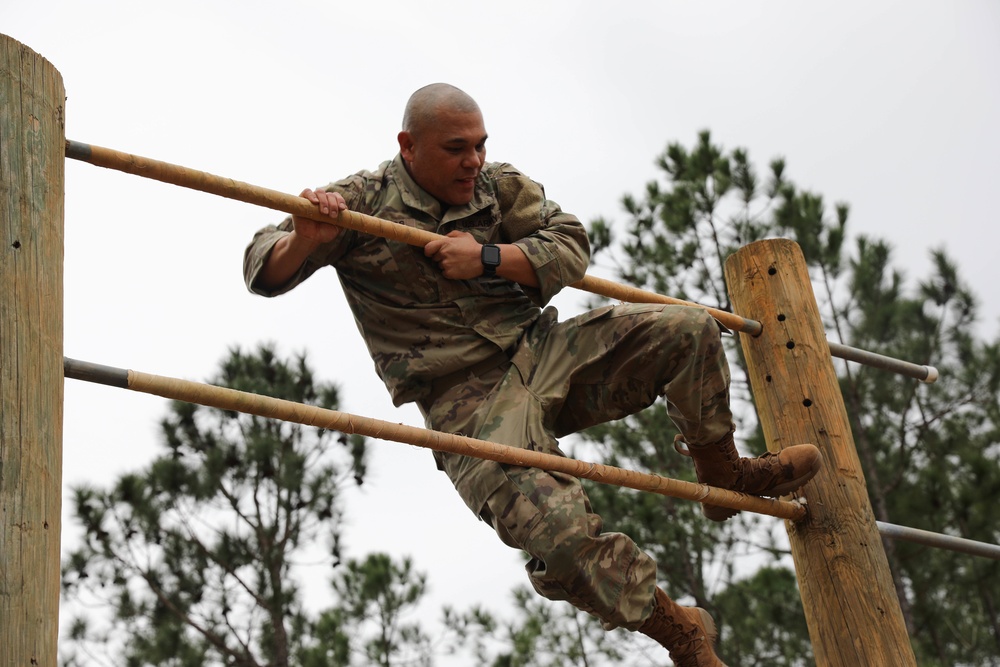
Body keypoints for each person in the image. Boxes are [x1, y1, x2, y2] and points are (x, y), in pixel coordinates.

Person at [243, 83, 822, 666]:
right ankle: (681, 633)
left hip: (547, 352)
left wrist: (487, 257)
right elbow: (262, 265)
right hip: (466, 403)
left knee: (689, 328)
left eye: (479, 145)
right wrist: (305, 238)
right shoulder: (360, 200)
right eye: (456, 148)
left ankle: (722, 473)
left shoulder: (497, 186)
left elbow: (570, 245)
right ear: (408, 146)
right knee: (560, 538)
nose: (473, 161)